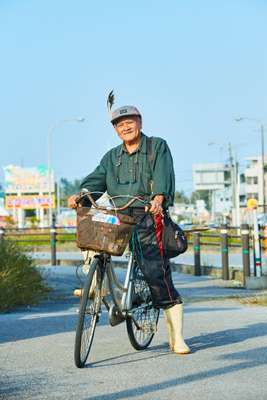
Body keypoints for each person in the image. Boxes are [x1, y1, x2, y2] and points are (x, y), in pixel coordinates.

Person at [68, 104, 190, 355]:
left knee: (155, 270)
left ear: (140, 122)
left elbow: (164, 177)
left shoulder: (157, 146)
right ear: (115, 130)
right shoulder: (111, 157)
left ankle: (176, 336)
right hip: (119, 214)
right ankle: (96, 284)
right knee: (90, 229)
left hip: (148, 214)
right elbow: (95, 181)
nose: (125, 126)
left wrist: (158, 199)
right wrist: (81, 195)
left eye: (130, 121)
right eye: (119, 124)